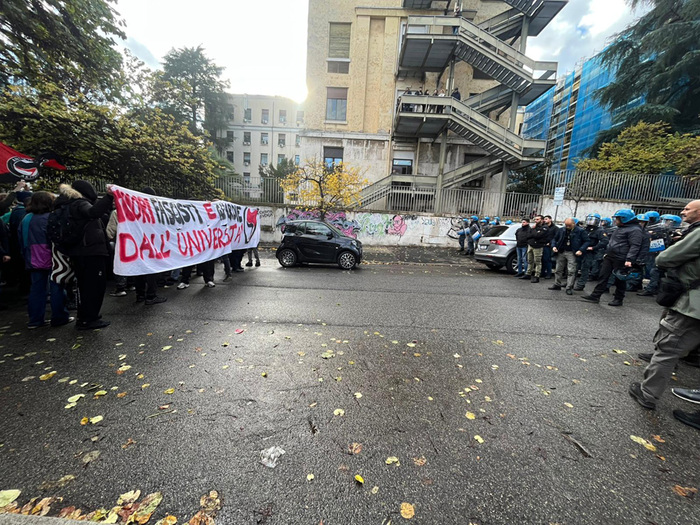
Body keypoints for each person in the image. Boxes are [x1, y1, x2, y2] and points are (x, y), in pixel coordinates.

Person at [628, 199, 700, 411]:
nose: (683, 211)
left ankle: (648, 394)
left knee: (668, 348)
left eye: (688, 208)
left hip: (692, 303)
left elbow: (665, 258)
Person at [61, 181, 114, 330]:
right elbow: (93, 213)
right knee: (93, 286)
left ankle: (87, 316)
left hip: (83, 252)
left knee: (87, 286)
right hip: (89, 252)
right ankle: (88, 319)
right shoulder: (80, 204)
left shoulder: (71, 204)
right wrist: (109, 197)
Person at [18, 191, 73, 328]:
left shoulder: (26, 219)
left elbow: (20, 239)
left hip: (32, 258)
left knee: (37, 289)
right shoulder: (51, 217)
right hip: (52, 256)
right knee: (57, 287)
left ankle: (35, 320)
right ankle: (59, 317)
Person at [580, 209, 643, 307]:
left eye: (617, 219)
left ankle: (618, 299)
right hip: (610, 256)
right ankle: (595, 296)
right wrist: (606, 253)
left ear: (624, 219)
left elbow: (635, 245)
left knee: (619, 279)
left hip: (622, 257)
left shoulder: (635, 230)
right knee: (603, 276)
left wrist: (629, 259)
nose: (616, 221)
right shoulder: (620, 227)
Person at [639, 214, 684, 297]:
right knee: (657, 272)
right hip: (661, 254)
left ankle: (651, 289)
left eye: (668, 221)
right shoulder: (663, 231)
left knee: (655, 271)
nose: (665, 223)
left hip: (671, 256)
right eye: (664, 220)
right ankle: (657, 289)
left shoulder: (679, 232)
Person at [548, 218, 590, 295]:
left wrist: (581, 250)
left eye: (569, 225)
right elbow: (554, 239)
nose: (567, 227)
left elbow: (587, 241)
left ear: (574, 224)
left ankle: (569, 287)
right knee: (558, 269)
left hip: (572, 252)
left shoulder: (580, 231)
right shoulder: (561, 230)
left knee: (571, 270)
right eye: (566, 225)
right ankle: (557, 284)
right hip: (561, 251)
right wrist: (553, 246)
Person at [574, 213, 606, 291]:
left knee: (584, 268)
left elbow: (604, 241)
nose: (591, 221)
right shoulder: (584, 229)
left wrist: (594, 247)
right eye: (589, 219)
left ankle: (581, 284)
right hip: (580, 250)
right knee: (574, 267)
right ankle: (570, 282)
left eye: (593, 220)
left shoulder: (600, 231)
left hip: (589, 252)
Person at [523, 215, 549, 283]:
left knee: (537, 262)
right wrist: (534, 232)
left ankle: (537, 276)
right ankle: (528, 274)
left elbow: (538, 236)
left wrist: (534, 231)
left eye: (537, 219)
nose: (536, 221)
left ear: (542, 220)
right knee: (530, 260)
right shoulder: (533, 227)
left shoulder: (544, 227)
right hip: (531, 245)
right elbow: (528, 235)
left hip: (538, 246)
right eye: (535, 219)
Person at [541, 215, 558, 279]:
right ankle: (542, 273)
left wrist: (551, 243)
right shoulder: (543, 227)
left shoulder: (555, 228)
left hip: (549, 246)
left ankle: (549, 273)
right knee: (543, 260)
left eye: (546, 219)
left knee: (548, 260)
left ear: (550, 220)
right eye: (544, 219)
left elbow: (556, 237)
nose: (545, 220)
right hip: (542, 245)